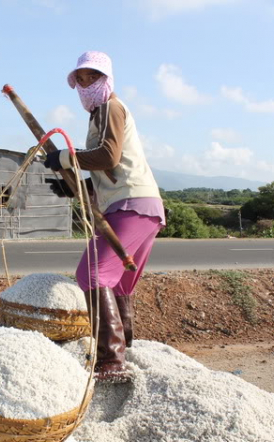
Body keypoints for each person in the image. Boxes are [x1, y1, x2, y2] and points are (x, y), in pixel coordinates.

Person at [43, 51, 166, 383]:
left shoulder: (112, 107)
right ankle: (124, 346)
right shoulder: (97, 116)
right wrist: (73, 186)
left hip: (132, 203)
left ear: (107, 79)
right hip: (141, 205)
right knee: (120, 282)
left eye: (92, 78)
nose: (85, 85)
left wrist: (66, 157)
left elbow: (108, 155)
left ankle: (111, 361)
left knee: (92, 273)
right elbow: (107, 170)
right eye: (80, 80)